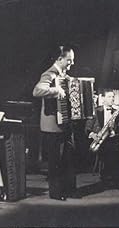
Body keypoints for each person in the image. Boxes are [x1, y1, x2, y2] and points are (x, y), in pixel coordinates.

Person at [33, 45, 78, 201]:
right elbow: (37, 91)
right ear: (60, 59)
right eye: (69, 61)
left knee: (69, 157)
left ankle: (69, 189)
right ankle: (56, 193)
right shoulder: (50, 74)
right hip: (53, 124)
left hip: (65, 122)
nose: (71, 64)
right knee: (56, 161)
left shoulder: (65, 75)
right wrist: (56, 91)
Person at [85, 89, 119, 187]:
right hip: (99, 138)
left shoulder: (117, 112)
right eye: (109, 97)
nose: (112, 99)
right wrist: (93, 135)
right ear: (103, 98)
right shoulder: (96, 110)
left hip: (111, 138)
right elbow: (88, 127)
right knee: (106, 151)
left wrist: (115, 132)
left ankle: (111, 177)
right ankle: (104, 177)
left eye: (113, 97)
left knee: (114, 150)